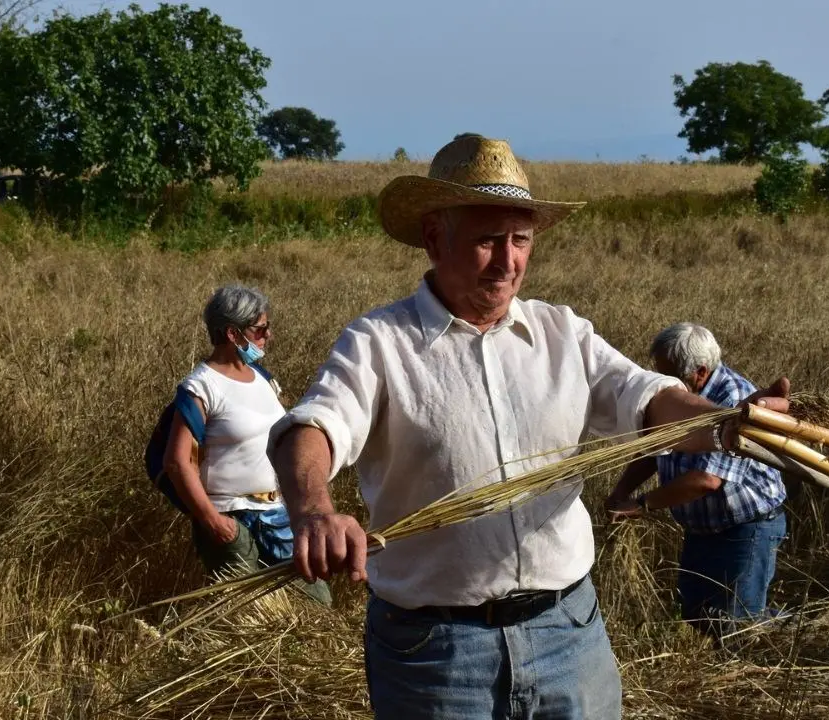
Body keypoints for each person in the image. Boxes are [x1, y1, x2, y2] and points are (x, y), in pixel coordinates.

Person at [266, 134, 792, 719]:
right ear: (435, 238)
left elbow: (648, 399)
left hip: (567, 632)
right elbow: (312, 427)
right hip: (435, 652)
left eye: (520, 241)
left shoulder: (563, 334)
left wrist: (728, 425)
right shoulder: (379, 342)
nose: (508, 261)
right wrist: (313, 511)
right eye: (488, 240)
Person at [604, 323, 788, 638]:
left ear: (700, 372)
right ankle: (776, 626)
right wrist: (621, 490)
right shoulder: (674, 399)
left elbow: (707, 480)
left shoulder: (735, 402)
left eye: (670, 374)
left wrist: (643, 504)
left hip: (745, 528)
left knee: (735, 624)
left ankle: (783, 637)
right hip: (703, 529)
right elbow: (653, 450)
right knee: (697, 613)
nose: (663, 383)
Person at [162, 284, 331, 606]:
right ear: (232, 333)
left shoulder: (263, 378)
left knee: (315, 602)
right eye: (260, 329)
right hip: (232, 519)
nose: (268, 336)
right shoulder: (200, 387)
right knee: (245, 611)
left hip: (277, 515)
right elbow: (177, 462)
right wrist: (214, 521)